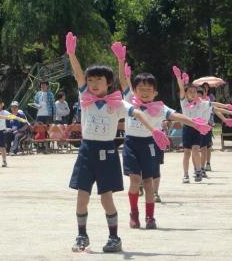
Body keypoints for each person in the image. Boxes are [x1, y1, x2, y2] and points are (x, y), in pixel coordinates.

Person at [66, 32, 169, 253]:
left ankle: (114, 237)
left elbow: (139, 112)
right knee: (82, 196)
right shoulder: (85, 98)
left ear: (108, 82)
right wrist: (72, 54)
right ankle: (82, 235)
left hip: (107, 152)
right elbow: (77, 74)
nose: (93, 84)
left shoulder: (117, 103)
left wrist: (154, 130)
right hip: (86, 151)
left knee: (106, 198)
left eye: (98, 80)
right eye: (90, 80)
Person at [114, 44, 211, 228]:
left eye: (148, 89)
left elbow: (176, 115)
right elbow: (123, 81)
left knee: (148, 182)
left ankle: (150, 217)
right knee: (135, 181)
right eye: (140, 89)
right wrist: (120, 61)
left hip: (150, 145)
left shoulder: (159, 107)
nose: (144, 92)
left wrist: (195, 123)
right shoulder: (128, 101)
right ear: (134, 91)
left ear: (155, 92)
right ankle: (134, 214)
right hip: (131, 144)